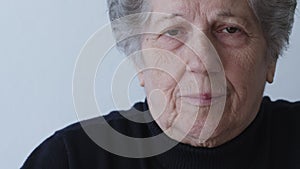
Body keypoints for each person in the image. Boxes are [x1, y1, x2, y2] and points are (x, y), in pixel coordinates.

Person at [22, 0, 299, 168]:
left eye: (230, 29)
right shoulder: (68, 161)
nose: (202, 61)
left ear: (271, 55)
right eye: (173, 32)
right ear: (138, 58)